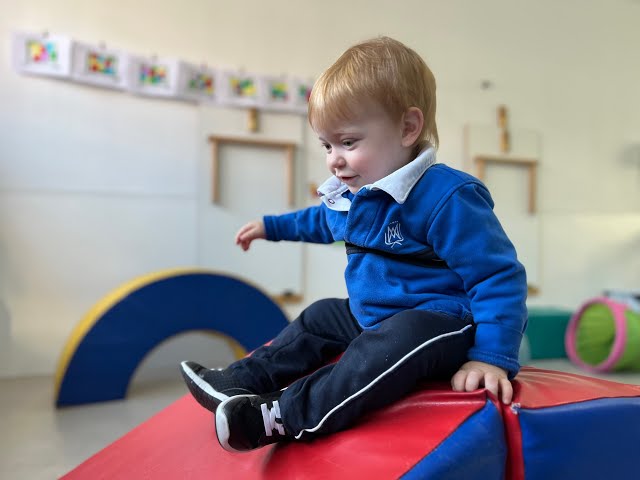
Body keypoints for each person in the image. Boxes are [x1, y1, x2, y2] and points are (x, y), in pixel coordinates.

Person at [181, 36, 528, 453]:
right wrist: (269, 227)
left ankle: (283, 415)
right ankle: (243, 379)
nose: (334, 159)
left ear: (407, 128)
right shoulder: (357, 193)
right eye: (327, 145)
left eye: (348, 142)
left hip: (442, 324)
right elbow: (318, 221)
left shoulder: (446, 196)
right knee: (321, 315)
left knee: (394, 340)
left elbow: (497, 275)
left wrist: (491, 356)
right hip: (377, 316)